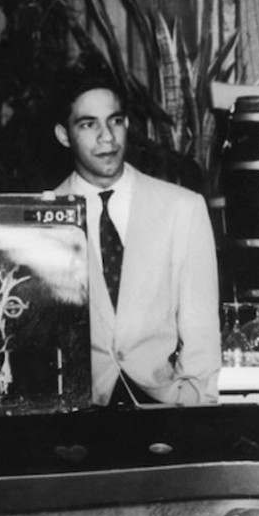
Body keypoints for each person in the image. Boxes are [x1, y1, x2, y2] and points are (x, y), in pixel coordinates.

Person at [52, 77, 221, 406]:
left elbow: (201, 326)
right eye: (88, 124)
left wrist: (194, 404)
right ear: (63, 135)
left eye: (115, 121)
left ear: (127, 124)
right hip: (74, 416)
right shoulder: (39, 217)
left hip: (165, 408)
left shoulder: (182, 208)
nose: (107, 137)